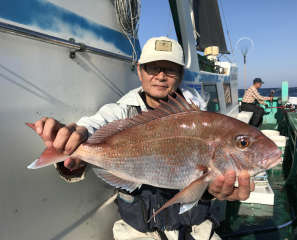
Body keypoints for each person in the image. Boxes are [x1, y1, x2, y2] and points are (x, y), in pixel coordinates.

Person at [33, 37, 255, 240]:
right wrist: (72, 144)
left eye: (170, 70)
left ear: (180, 75)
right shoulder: (119, 112)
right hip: (138, 233)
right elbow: (91, 127)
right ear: (140, 71)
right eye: (153, 67)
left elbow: (202, 179)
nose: (160, 75)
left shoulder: (201, 117)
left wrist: (211, 191)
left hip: (198, 230)